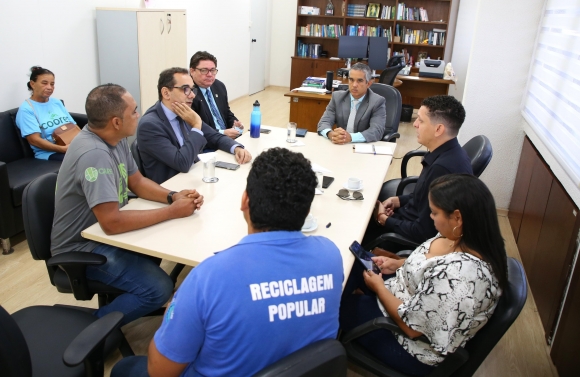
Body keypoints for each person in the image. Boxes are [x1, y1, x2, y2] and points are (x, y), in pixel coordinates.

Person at [111, 148, 344, 377]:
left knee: (125, 368)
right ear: (307, 210)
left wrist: (177, 308)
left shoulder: (208, 278)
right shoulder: (331, 256)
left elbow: (160, 370)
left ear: (245, 201)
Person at [51, 84, 205, 325]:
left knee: (162, 245)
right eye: (134, 111)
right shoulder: (94, 154)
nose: (139, 115)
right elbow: (111, 223)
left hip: (104, 235)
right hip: (83, 247)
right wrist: (172, 211)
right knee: (159, 288)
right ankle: (93, 330)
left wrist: (173, 196)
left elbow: (138, 181)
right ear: (115, 121)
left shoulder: (115, 138)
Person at [341, 174, 508, 376]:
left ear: (457, 217)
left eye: (434, 213)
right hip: (405, 293)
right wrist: (398, 264)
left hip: (407, 342)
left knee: (332, 305)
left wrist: (379, 288)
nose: (430, 217)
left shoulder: (458, 277)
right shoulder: (462, 235)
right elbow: (431, 265)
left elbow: (411, 327)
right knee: (349, 263)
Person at [363, 95, 473, 250]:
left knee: (356, 227)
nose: (414, 124)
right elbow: (423, 197)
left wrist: (383, 219)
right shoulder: (448, 152)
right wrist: (398, 200)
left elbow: (424, 232)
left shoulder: (442, 170)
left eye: (420, 120)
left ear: (438, 129)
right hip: (407, 217)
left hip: (404, 236)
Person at [137, 67, 252, 184]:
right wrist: (196, 125)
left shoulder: (184, 111)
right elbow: (182, 163)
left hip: (195, 176)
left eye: (192, 90)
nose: (192, 95)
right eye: (185, 89)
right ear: (166, 93)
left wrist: (236, 148)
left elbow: (214, 136)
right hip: (173, 187)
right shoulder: (150, 125)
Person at [15, 66, 77, 161]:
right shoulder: (26, 109)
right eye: (44, 83)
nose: (49, 87)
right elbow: (34, 140)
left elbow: (73, 126)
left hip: (71, 144)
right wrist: (63, 149)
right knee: (84, 158)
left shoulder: (56, 102)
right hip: (50, 153)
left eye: (52, 84)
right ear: (33, 84)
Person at [317, 62, 386, 144]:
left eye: (360, 81)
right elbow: (323, 123)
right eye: (351, 80)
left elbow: (377, 131)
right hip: (341, 145)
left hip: (363, 147)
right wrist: (331, 134)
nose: (354, 85)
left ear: (368, 83)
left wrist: (351, 137)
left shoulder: (377, 101)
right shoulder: (337, 97)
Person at [190, 51, 244, 139]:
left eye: (212, 70)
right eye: (204, 70)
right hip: (207, 142)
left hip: (226, 139)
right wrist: (222, 133)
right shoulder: (188, 93)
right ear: (192, 71)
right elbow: (193, 127)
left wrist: (235, 125)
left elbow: (226, 112)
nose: (210, 75)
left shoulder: (219, 86)